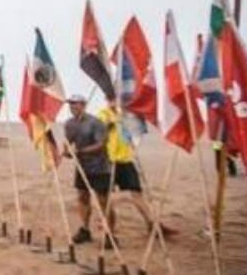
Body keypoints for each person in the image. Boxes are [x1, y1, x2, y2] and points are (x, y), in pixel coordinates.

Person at [97, 100, 176, 238]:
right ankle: (108, 230)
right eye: (110, 98)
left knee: (137, 193)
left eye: (116, 98)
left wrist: (131, 122)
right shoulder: (103, 114)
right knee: (105, 197)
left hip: (126, 159)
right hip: (108, 160)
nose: (114, 101)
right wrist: (113, 122)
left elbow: (136, 131)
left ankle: (152, 224)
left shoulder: (127, 114)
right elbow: (100, 131)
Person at [62, 94, 113, 247]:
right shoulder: (69, 124)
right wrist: (66, 151)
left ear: (84, 105)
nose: (73, 107)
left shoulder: (95, 123)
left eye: (75, 104)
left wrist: (80, 152)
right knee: (83, 197)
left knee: (103, 201)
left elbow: (101, 145)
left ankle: (109, 234)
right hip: (82, 167)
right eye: (70, 104)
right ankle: (85, 229)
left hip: (100, 167)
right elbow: (68, 141)